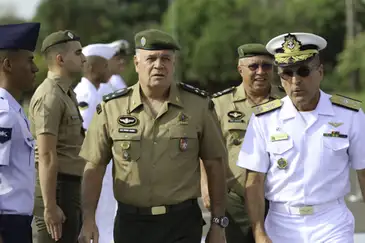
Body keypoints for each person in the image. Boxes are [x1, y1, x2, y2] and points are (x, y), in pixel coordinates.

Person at [78, 29, 228, 243]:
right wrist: (89, 219)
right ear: (137, 63)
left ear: (174, 64)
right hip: (132, 224)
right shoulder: (112, 108)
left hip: (182, 223)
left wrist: (218, 223)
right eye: (151, 59)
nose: (159, 65)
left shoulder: (198, 106)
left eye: (166, 58)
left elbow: (215, 164)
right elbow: (94, 166)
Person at [237, 32, 365, 243]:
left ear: (320, 72)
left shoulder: (349, 115)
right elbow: (254, 179)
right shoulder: (264, 119)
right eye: (287, 73)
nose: (295, 81)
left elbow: (363, 172)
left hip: (331, 222)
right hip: (281, 223)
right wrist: (259, 232)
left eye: (304, 71)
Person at [201, 43, 285, 243]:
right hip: (235, 200)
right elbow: (205, 148)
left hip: (278, 200)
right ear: (240, 69)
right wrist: (205, 185)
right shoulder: (220, 104)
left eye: (266, 66)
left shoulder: (286, 101)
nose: (260, 72)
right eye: (253, 66)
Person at [29, 30, 86, 243]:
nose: (84, 58)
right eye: (78, 53)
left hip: (68, 186)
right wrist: (50, 206)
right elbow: (46, 155)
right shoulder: (49, 96)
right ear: (60, 59)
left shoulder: (65, 93)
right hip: (56, 189)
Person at [0, 22, 40, 243]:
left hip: (18, 223)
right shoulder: (3, 112)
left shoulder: (14, 109)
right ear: (8, 65)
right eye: (29, 60)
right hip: (6, 225)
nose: (35, 68)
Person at [74, 43, 117, 243]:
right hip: (93, 169)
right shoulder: (85, 95)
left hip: (105, 168)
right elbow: (83, 137)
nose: (109, 70)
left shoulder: (97, 93)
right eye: (104, 65)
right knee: (97, 220)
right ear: (92, 68)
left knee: (107, 219)